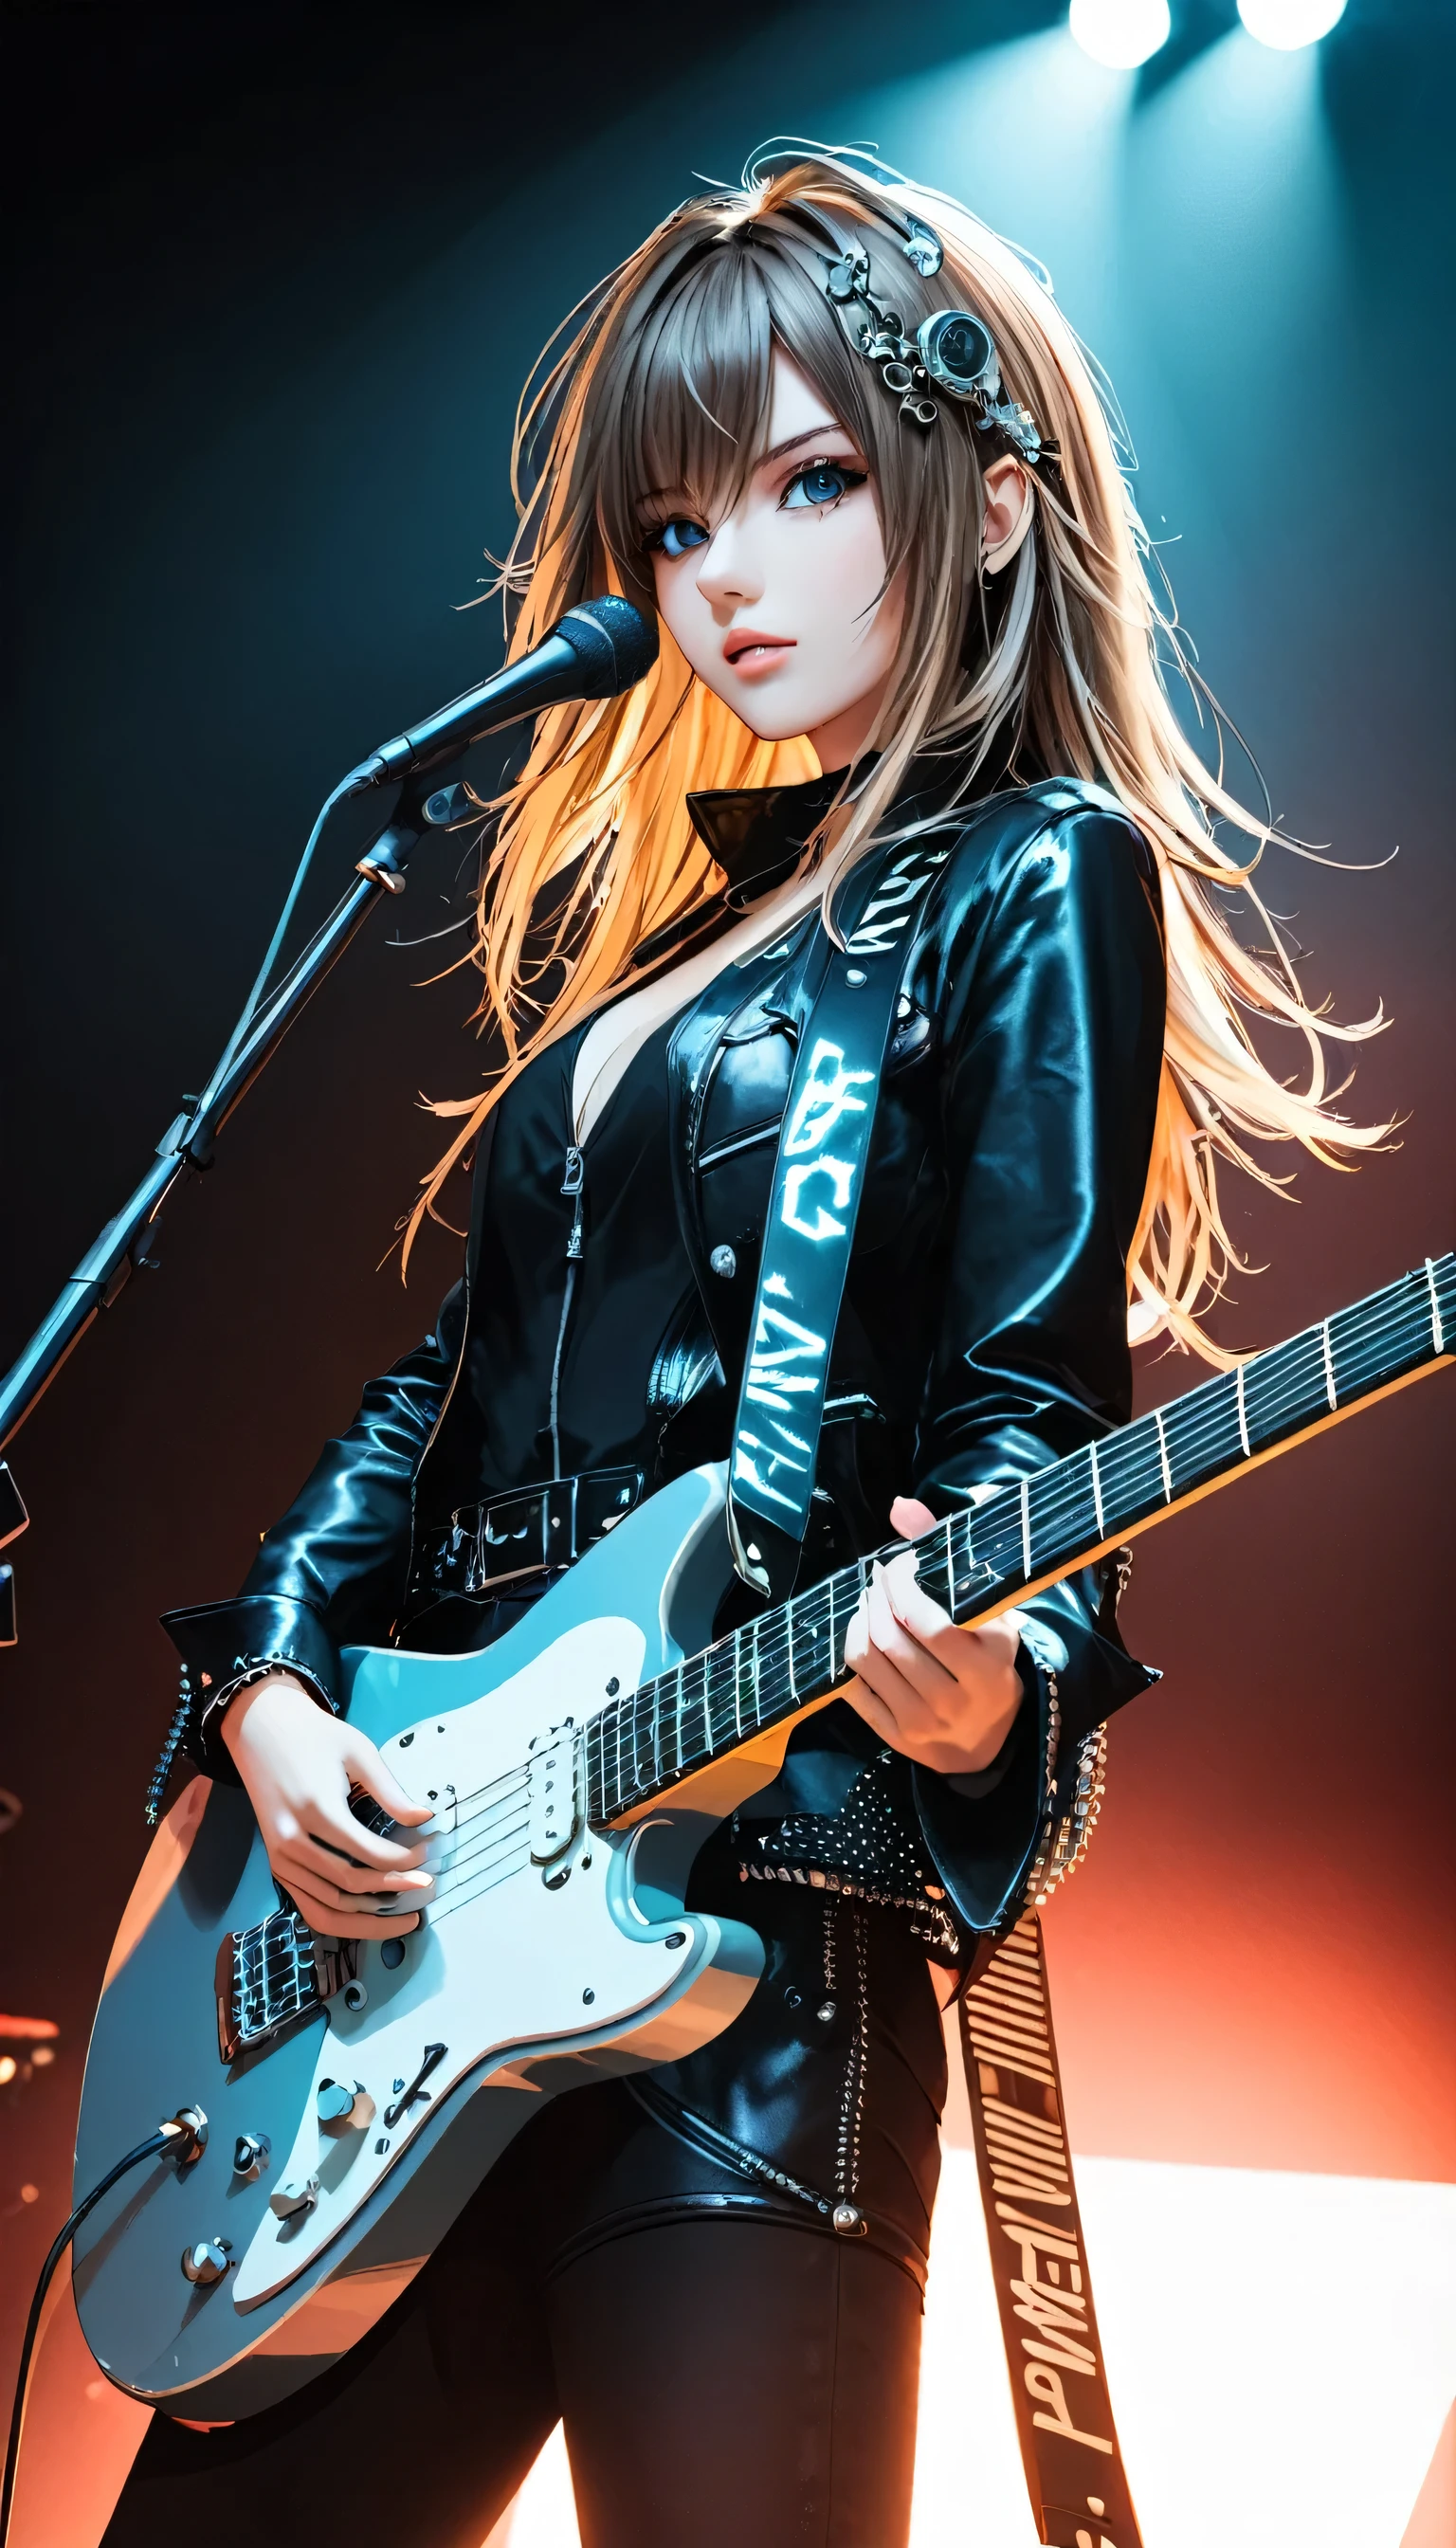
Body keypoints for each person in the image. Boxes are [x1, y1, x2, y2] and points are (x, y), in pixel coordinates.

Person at [104, 145, 1381, 2548]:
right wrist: (271, 1685)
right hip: (406, 1959)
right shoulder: (647, 964)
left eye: (806, 486)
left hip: (751, 1966)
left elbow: (1028, 1398)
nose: (722, 580)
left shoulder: (1037, 875)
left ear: (990, 513)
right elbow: (440, 1395)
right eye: (678, 526)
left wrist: (1003, 1680)